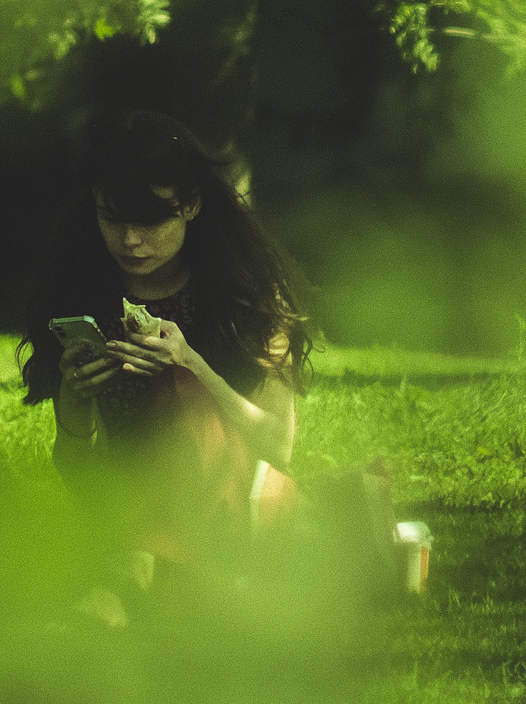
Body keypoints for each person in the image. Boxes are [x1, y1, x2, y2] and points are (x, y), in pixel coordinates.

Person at [18, 111, 314, 579]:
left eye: (151, 219)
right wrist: (73, 401)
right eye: (112, 219)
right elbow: (81, 475)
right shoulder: (83, 292)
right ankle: (138, 569)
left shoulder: (246, 293)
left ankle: (143, 574)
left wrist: (192, 366)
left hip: (231, 507)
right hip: (127, 511)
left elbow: (278, 447)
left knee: (178, 391)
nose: (130, 240)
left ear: (191, 205)